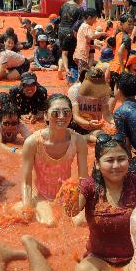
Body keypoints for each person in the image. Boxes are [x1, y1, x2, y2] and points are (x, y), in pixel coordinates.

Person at [62, 133, 136, 271]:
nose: (116, 165)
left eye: (121, 159)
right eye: (109, 160)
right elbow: (73, 210)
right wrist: (69, 194)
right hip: (99, 259)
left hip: (135, 257)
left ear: (129, 160)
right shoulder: (89, 186)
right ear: (98, 164)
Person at [19, 94, 88, 226]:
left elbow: (83, 180)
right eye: (55, 113)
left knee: (81, 222)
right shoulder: (32, 142)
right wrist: (26, 208)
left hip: (66, 194)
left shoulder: (79, 141)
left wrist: (84, 204)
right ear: (45, 115)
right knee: (49, 223)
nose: (62, 117)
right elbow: (26, 182)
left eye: (66, 112)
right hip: (41, 195)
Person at [69, 68, 112, 141]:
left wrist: (114, 122)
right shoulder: (75, 90)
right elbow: (75, 116)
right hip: (76, 126)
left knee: (104, 140)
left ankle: (85, 138)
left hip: (94, 128)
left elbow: (107, 115)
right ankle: (85, 138)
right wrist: (88, 123)